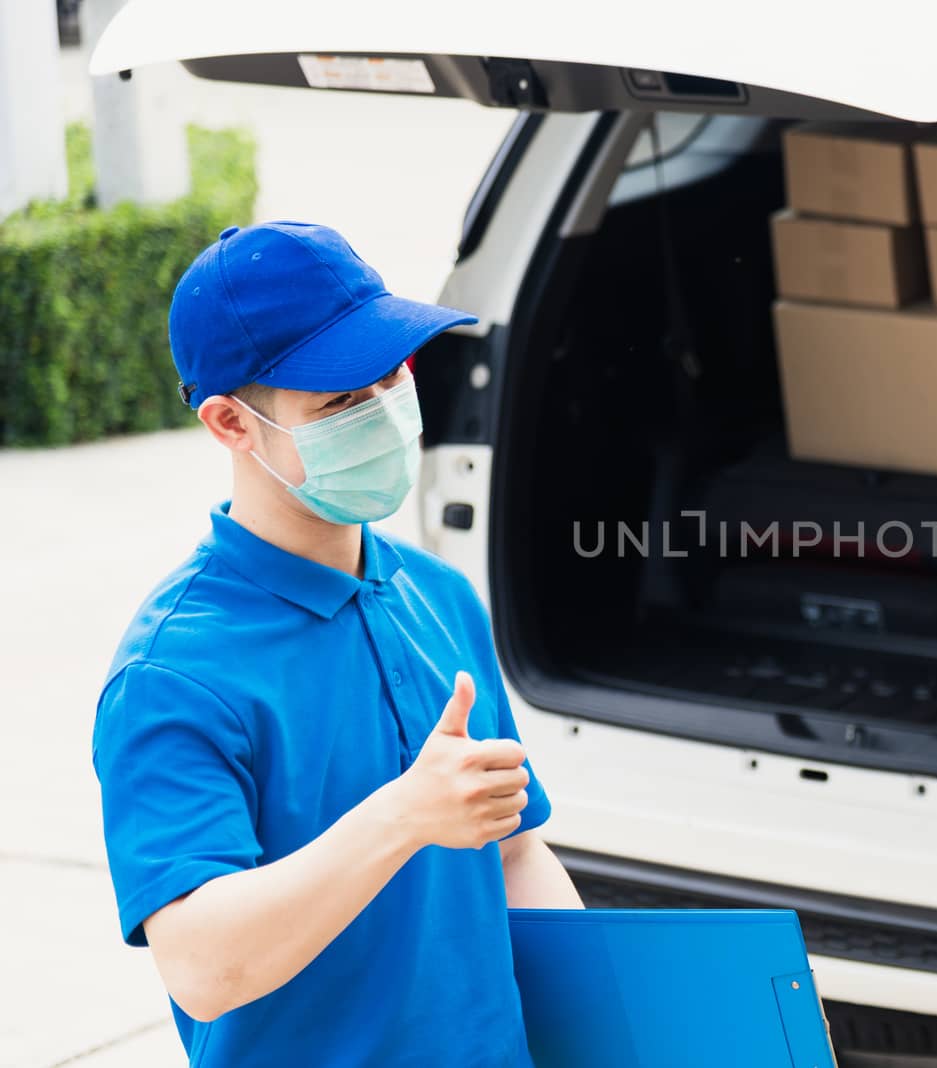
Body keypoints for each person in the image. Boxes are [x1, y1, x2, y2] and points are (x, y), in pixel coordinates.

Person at [92, 222, 582, 1067]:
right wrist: (401, 817)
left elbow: (513, 855)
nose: (387, 411)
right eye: (342, 402)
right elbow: (203, 968)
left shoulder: (441, 597)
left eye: (391, 375)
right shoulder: (171, 675)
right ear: (230, 424)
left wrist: (650, 1022)